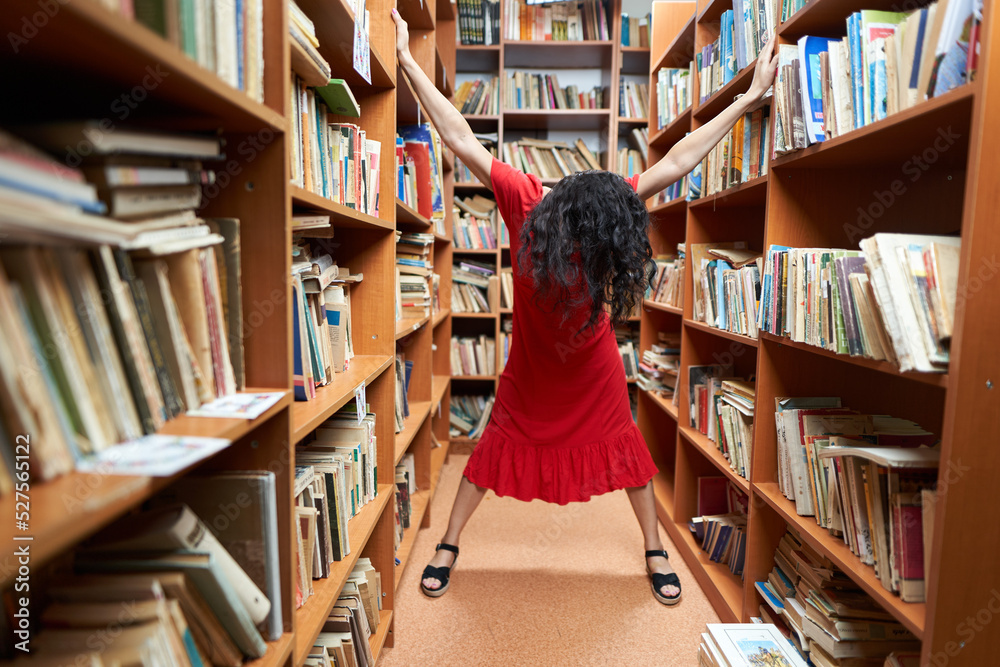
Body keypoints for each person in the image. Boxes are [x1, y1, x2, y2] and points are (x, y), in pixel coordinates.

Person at [392, 8, 778, 605]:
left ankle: (653, 548)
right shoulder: (524, 197)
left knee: (624, 446)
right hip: (535, 363)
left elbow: (678, 162)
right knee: (498, 441)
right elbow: (458, 134)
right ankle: (450, 542)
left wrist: (747, 100)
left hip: (592, 362)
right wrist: (408, 61)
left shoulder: (612, 205)